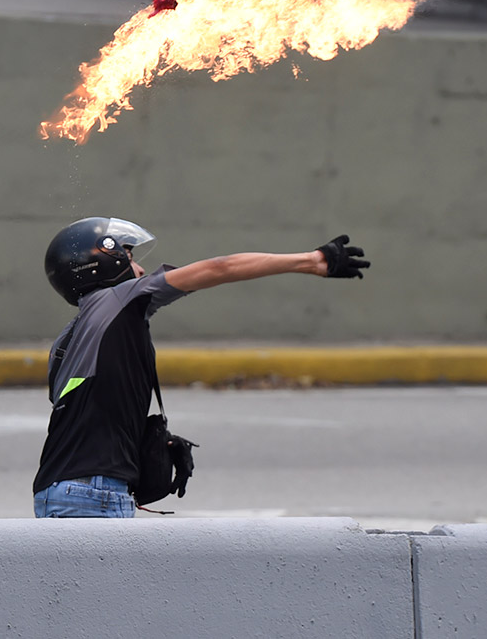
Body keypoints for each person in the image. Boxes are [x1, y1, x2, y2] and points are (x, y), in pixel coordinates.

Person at [33, 216, 369, 518]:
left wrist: (148, 446)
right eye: (132, 259)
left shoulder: (65, 343)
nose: (140, 271)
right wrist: (313, 261)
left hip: (54, 491)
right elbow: (219, 268)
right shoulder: (121, 300)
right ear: (105, 261)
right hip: (94, 493)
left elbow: (90, 414)